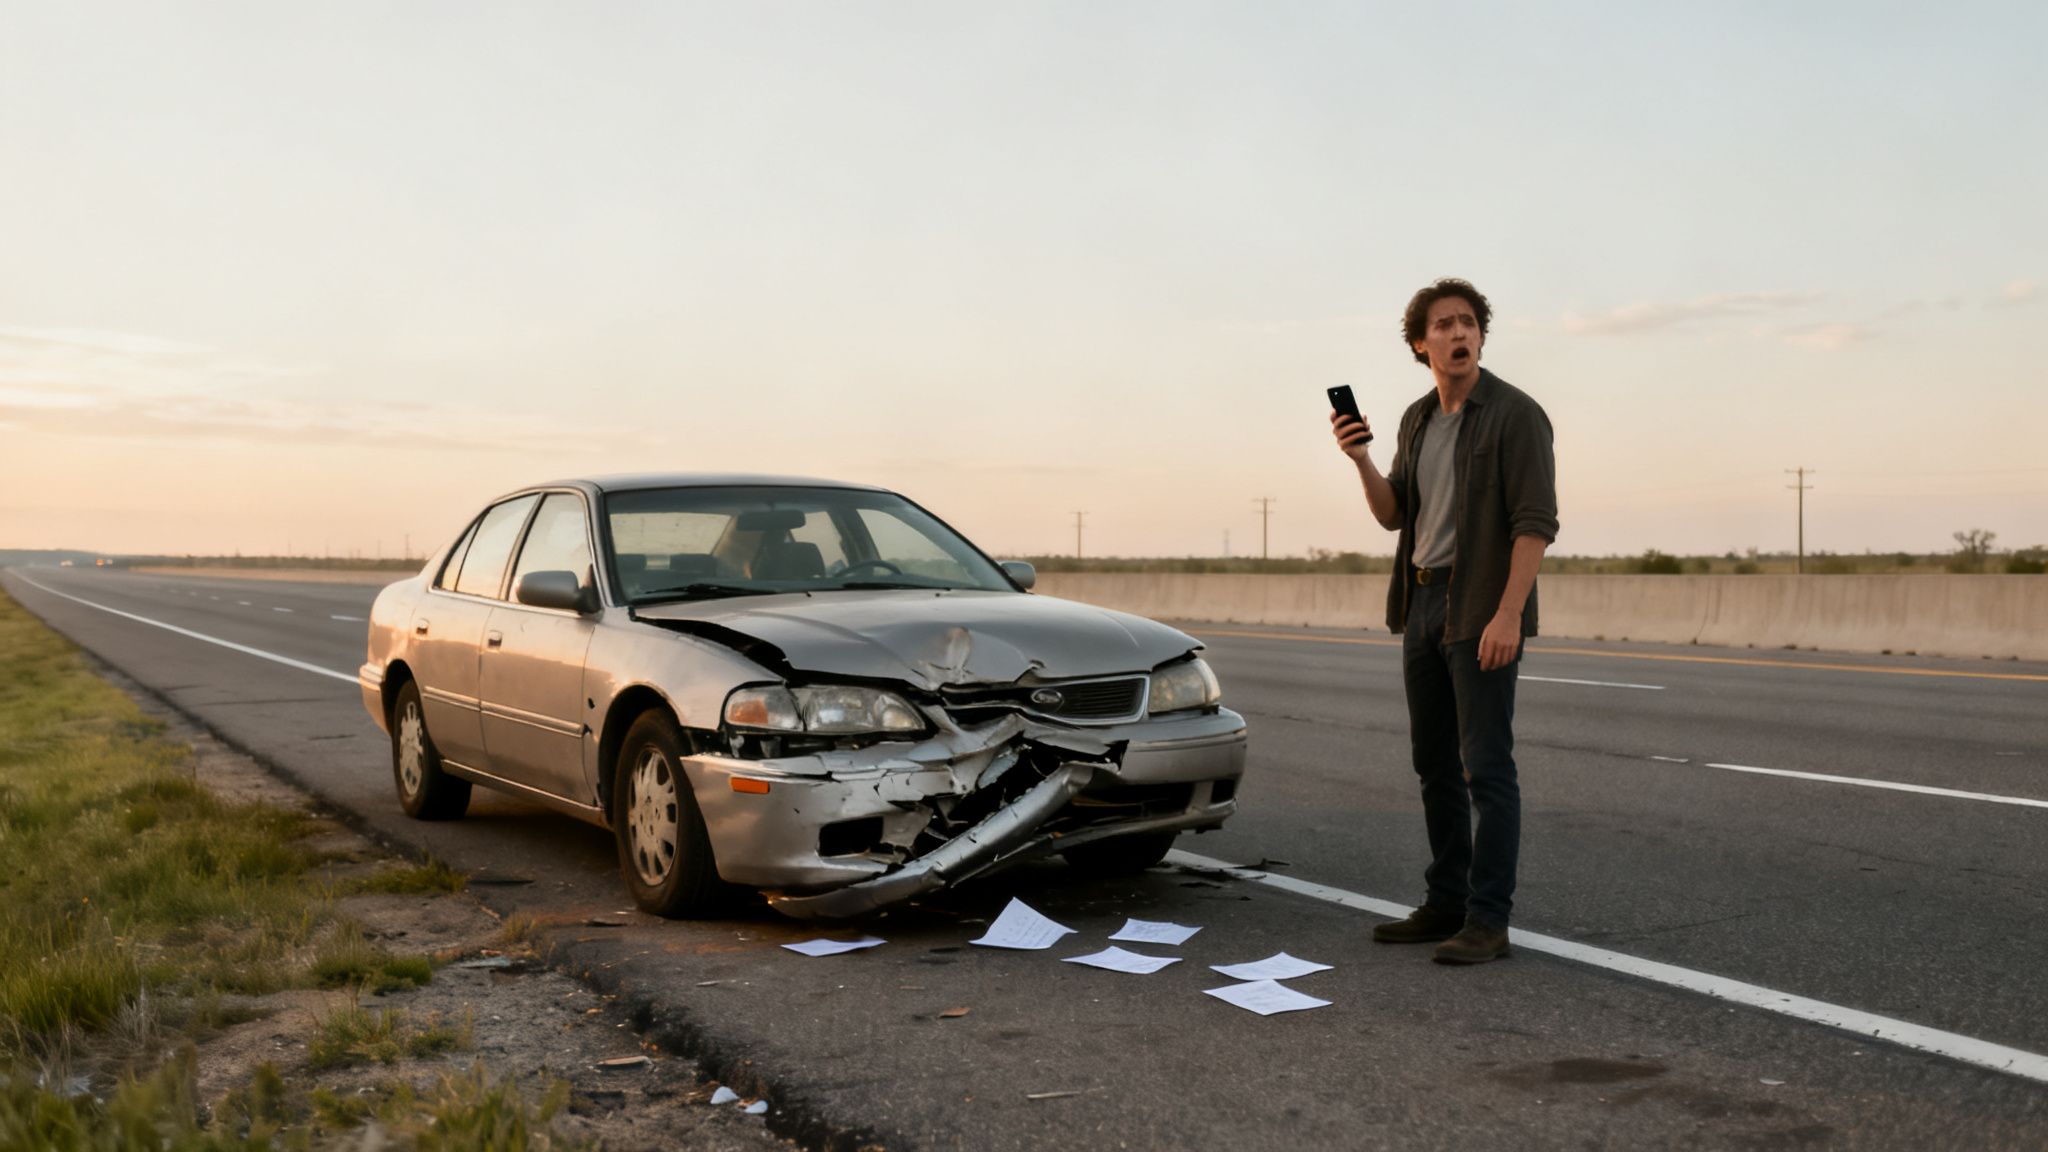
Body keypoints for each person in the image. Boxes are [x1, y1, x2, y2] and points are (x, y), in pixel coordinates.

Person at [1328, 278, 1558, 964]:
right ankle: (1446, 902)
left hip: (1481, 602)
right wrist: (1361, 459)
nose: (1459, 335)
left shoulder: (1517, 415)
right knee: (1434, 765)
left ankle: (1488, 920)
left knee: (1486, 767)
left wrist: (1508, 614)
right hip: (1423, 601)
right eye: (1444, 326)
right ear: (1419, 345)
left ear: (1481, 336)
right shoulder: (1416, 419)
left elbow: (1535, 524)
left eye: (1468, 323)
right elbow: (1396, 513)